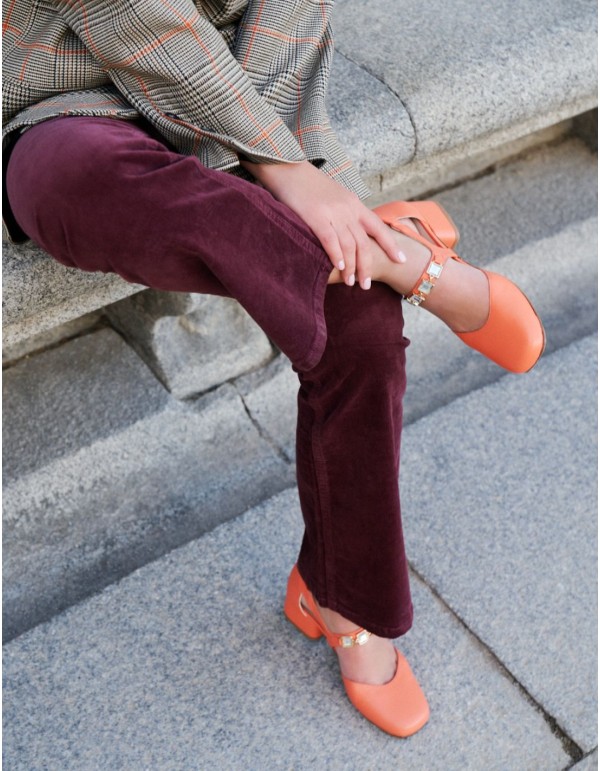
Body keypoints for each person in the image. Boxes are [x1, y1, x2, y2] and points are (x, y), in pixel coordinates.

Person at [2, 0, 544, 737]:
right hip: (67, 96)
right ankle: (407, 260)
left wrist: (271, 157)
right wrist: (287, 169)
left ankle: (343, 599)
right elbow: (127, 11)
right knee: (67, 182)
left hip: (243, 93)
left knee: (359, 321)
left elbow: (287, 17)